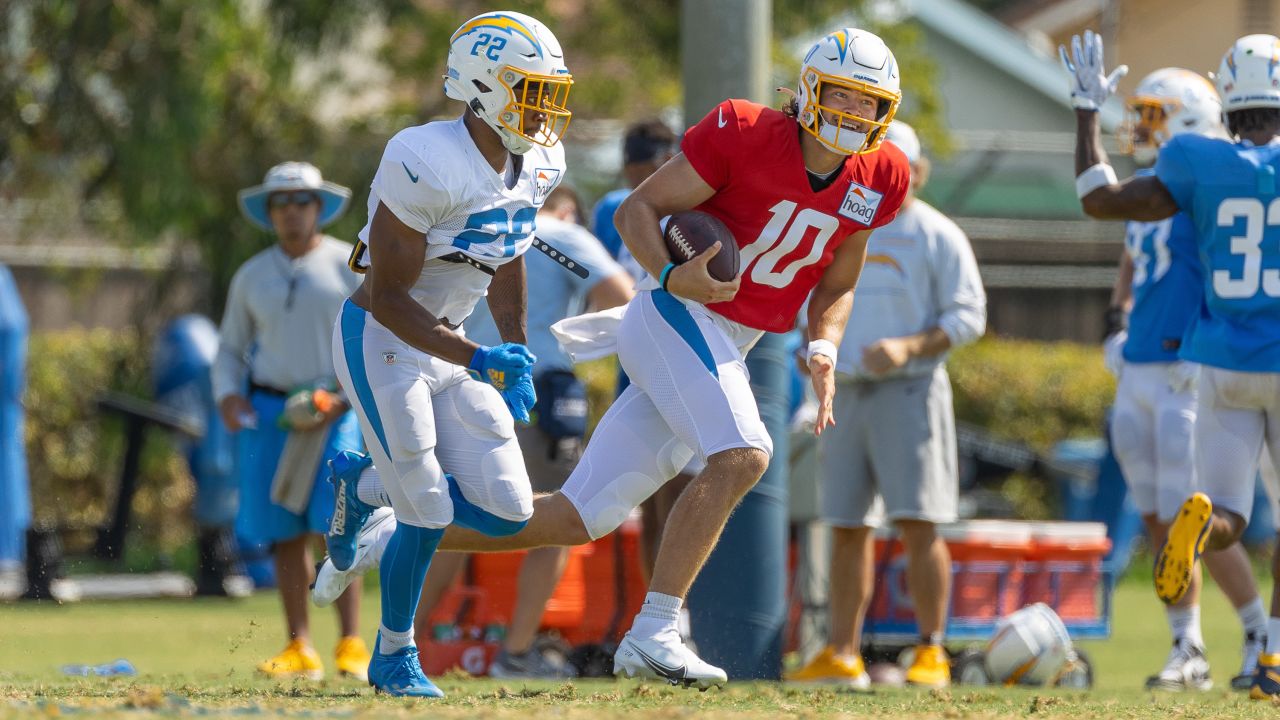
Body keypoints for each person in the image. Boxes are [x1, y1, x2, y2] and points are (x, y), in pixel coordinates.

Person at [322, 26, 910, 688]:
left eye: (869, 102)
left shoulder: (882, 176)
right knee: (744, 452)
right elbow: (639, 210)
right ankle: (657, 628)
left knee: (574, 517)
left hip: (734, 340)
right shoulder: (746, 132)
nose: (855, 114)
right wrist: (669, 275)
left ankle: (380, 521)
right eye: (844, 95)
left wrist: (824, 344)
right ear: (808, 91)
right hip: (675, 315)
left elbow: (839, 281)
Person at [324, 10, 573, 697]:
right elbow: (388, 296)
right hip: (381, 339)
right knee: (428, 509)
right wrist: (478, 360)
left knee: (507, 511)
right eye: (530, 90)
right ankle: (394, 655)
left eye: (549, 92)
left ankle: (359, 485)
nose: (543, 108)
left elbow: (512, 253)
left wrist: (514, 349)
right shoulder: (423, 157)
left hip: (451, 343)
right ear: (481, 85)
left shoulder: (539, 160)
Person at [314, 186, 633, 678]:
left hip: (450, 366)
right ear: (563, 206)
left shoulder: (466, 220)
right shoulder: (562, 233)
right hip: (518, 382)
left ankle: (374, 512)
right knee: (562, 522)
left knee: (453, 504)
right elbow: (620, 297)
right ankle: (515, 649)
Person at [1060, 30, 1280, 699]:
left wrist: (1085, 116)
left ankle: (1205, 529)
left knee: (1228, 517)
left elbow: (1098, 197)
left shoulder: (1191, 161)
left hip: (1215, 362)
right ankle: (1272, 659)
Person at [785, 121, 986, 689]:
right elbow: (813, 296)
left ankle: (931, 650)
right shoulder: (844, 225)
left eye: (903, 165)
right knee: (846, 524)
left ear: (918, 172)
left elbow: (969, 315)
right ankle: (842, 654)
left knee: (919, 522)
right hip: (844, 392)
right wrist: (817, 355)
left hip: (911, 391)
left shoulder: (937, 234)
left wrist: (907, 347)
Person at [212, 161, 368, 680]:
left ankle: (351, 642)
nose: (292, 212)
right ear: (270, 212)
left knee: (338, 524)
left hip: (335, 407)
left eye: (301, 201)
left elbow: (372, 336)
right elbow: (230, 349)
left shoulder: (350, 264)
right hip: (273, 412)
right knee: (283, 532)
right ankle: (299, 646)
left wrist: (349, 396)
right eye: (281, 203)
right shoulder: (252, 275)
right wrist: (229, 397)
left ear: (318, 207)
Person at [592, 119, 679, 263]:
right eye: (630, 172)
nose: (635, 180)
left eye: (642, 171)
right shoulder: (612, 208)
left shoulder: (693, 207)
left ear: (668, 160)